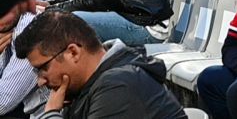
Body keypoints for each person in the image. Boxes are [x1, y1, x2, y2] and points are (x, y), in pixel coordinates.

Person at [15, 11, 186, 119]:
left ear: (73, 52)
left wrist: (51, 113)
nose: (40, 81)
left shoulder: (120, 84)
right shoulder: (90, 85)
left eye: (43, 68)